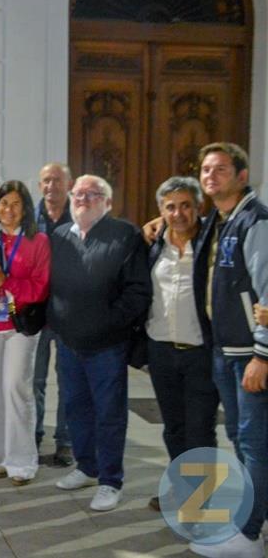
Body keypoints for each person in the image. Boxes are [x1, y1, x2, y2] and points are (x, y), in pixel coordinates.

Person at [48, 174, 151, 512]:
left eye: (94, 194)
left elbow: (137, 291)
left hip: (107, 345)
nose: (84, 198)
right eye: (79, 193)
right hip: (69, 344)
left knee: (109, 413)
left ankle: (110, 480)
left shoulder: (125, 235)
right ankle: (87, 467)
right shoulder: (60, 235)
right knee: (76, 408)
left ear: (108, 203)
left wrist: (108, 323)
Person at [187, 143, 268, 558]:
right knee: (240, 438)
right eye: (205, 170)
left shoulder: (255, 221)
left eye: (220, 169)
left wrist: (262, 355)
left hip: (249, 354)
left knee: (254, 443)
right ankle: (253, 519)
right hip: (225, 349)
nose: (210, 176)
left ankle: (248, 533)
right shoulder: (220, 221)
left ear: (242, 174)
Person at [144, 176, 217, 513]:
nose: (178, 213)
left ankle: (202, 501)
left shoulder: (210, 240)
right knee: (173, 428)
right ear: (161, 210)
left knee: (200, 430)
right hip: (161, 350)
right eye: (170, 207)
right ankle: (182, 490)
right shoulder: (155, 243)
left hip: (200, 352)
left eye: (186, 205)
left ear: (199, 206)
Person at [0, 180, 50, 485]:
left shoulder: (39, 242)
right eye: (3, 204)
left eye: (15, 204)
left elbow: (40, 287)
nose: (8, 210)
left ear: (26, 209)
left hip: (21, 325)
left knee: (15, 388)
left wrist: (4, 280)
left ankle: (23, 462)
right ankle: (1, 456)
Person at [34, 162, 74, 466]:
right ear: (39, 186)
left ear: (69, 184)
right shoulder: (28, 221)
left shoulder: (83, 219)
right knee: (34, 380)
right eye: (46, 181)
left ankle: (65, 441)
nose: (52, 186)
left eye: (57, 180)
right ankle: (33, 435)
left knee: (67, 379)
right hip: (34, 312)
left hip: (68, 313)